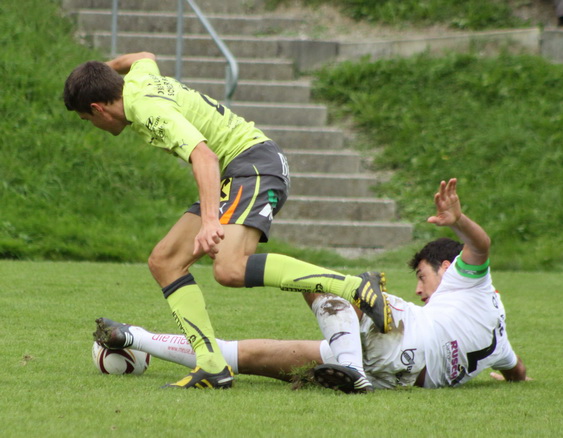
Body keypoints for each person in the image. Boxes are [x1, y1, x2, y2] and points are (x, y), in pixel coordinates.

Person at [64, 51, 391, 390]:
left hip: (254, 166)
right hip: (239, 172)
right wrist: (98, 73)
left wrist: (210, 222)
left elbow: (203, 156)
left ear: (98, 109)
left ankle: (354, 287)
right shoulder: (137, 79)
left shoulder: (146, 109)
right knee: (166, 261)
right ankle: (211, 365)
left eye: (88, 119)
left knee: (230, 268)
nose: (93, 126)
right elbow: (143, 56)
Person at [93, 179, 529, 392]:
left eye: (422, 276)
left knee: (327, 284)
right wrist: (505, 377)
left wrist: (459, 220)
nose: (419, 288)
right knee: (246, 356)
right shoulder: (500, 340)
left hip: (396, 338)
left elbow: (481, 245)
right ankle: (132, 337)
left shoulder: (468, 282)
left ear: (448, 267)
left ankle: (351, 366)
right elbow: (517, 371)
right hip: (397, 376)